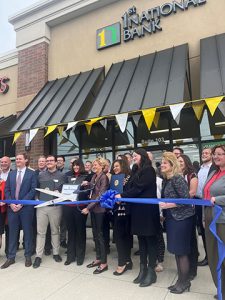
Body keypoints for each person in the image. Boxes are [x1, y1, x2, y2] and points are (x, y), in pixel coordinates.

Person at [116, 148, 160, 287]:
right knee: (141, 241)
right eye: (133, 156)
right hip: (137, 211)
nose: (134, 158)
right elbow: (130, 187)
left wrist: (122, 196)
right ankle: (142, 270)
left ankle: (151, 272)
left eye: (135, 156)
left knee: (150, 241)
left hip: (147, 212)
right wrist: (120, 193)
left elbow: (139, 188)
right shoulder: (135, 170)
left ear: (142, 156)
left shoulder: (149, 170)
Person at [160, 152, 195, 294]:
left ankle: (184, 282)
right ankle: (180, 281)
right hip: (172, 219)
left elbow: (186, 199)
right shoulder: (167, 180)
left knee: (181, 252)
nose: (161, 165)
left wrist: (170, 205)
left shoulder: (177, 179)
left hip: (182, 219)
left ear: (172, 165)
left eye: (165, 163)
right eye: (162, 163)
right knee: (176, 251)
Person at [1, 153, 37, 269]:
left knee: (27, 232)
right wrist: (11, 203)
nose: (17, 160)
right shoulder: (11, 174)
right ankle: (11, 257)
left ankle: (27, 256)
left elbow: (32, 190)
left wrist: (21, 203)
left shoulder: (32, 174)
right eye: (16, 159)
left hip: (26, 208)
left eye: (20, 159)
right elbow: (7, 190)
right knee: (12, 233)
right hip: (12, 209)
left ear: (26, 160)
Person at [33, 155, 66, 268]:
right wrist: (36, 199)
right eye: (47, 161)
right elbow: (36, 189)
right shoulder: (41, 175)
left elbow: (65, 191)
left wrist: (59, 192)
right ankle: (38, 256)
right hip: (42, 207)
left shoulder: (62, 175)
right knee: (40, 232)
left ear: (56, 163)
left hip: (55, 207)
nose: (49, 162)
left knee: (55, 231)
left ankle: (56, 253)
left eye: (51, 160)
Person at [203, 145, 225, 298]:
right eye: (214, 154)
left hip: (222, 221)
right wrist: (205, 217)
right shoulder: (214, 173)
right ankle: (221, 289)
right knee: (213, 256)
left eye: (220, 154)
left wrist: (216, 199)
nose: (216, 156)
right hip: (210, 219)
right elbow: (205, 195)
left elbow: (213, 198)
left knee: (223, 257)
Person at [81, 158, 109, 274]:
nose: (94, 166)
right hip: (94, 209)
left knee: (100, 236)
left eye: (96, 164)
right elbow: (92, 191)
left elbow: (100, 196)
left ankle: (104, 263)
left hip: (100, 209)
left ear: (102, 166)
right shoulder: (94, 176)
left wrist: (88, 208)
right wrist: (86, 184)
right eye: (93, 164)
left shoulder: (104, 177)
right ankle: (98, 258)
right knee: (95, 235)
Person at [64, 159, 92, 266]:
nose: (75, 167)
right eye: (74, 166)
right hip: (68, 207)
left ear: (81, 166)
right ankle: (70, 256)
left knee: (80, 232)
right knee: (70, 232)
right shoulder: (67, 175)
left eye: (77, 165)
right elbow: (63, 187)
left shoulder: (87, 176)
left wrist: (88, 184)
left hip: (80, 207)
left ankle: (80, 257)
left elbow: (90, 190)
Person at [178, 154, 198, 280]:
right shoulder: (176, 175)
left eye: (181, 161)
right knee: (183, 241)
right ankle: (184, 267)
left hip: (189, 211)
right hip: (178, 212)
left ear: (186, 162)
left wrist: (178, 198)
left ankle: (192, 269)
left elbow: (192, 193)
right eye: (177, 161)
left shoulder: (192, 175)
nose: (179, 163)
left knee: (191, 241)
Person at [111, 159, 133, 276]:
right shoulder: (114, 179)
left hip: (126, 211)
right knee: (120, 237)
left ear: (123, 166)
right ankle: (127, 261)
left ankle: (122, 263)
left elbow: (131, 192)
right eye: (113, 167)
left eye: (117, 166)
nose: (114, 168)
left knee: (122, 237)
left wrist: (121, 197)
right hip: (116, 210)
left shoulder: (129, 178)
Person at [196, 147, 213, 267]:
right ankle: (208, 256)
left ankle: (213, 257)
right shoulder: (200, 168)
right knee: (203, 229)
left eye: (207, 153)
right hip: (199, 202)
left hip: (209, 202)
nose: (204, 154)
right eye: (203, 153)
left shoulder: (214, 168)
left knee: (211, 230)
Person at [0, 156, 11, 252]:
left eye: (5, 162)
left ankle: (9, 252)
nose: (3, 164)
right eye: (2, 162)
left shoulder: (14, 174)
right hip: (0, 209)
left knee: (9, 230)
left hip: (10, 207)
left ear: (10, 163)